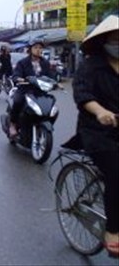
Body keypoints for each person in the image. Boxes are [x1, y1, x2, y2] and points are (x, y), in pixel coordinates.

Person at [72, 14, 119, 257]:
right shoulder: (90, 66)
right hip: (97, 132)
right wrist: (100, 111)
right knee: (116, 172)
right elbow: (81, 93)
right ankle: (112, 230)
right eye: (115, 39)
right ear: (104, 42)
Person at [9, 38, 53, 138]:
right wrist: (19, 79)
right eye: (36, 47)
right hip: (25, 90)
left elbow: (51, 76)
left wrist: (56, 83)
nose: (38, 50)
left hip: (40, 92)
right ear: (30, 49)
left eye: (40, 48)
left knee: (51, 105)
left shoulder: (45, 63)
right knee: (17, 101)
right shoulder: (22, 63)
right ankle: (13, 124)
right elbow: (16, 75)